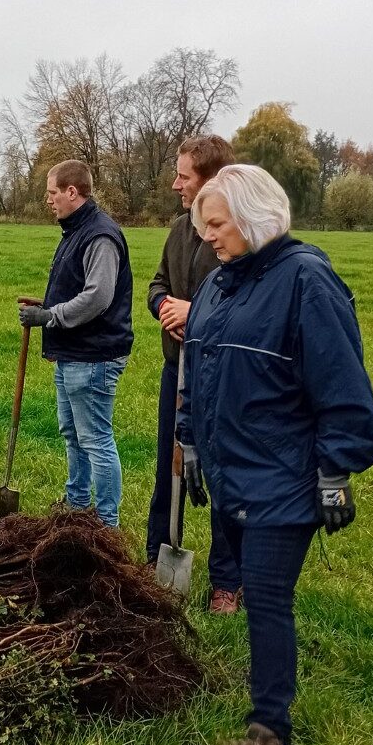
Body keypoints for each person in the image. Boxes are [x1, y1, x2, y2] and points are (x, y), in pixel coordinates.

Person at [178, 164, 373, 745]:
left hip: (283, 480)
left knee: (266, 603)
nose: (207, 235)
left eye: (217, 222)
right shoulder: (218, 285)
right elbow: (200, 367)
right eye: (202, 224)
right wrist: (189, 443)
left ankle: (267, 743)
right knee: (248, 596)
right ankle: (266, 722)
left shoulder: (307, 281)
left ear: (255, 214)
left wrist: (334, 473)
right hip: (230, 471)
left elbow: (345, 389)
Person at [146, 135, 240, 611]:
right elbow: (157, 283)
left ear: (211, 179)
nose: (175, 184)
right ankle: (153, 559)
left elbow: (240, 303)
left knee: (221, 474)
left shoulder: (236, 234)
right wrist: (164, 305)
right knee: (171, 466)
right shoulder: (180, 229)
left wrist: (194, 313)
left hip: (221, 381)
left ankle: (228, 581)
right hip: (175, 372)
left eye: (184, 175)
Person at [16, 160, 134, 527]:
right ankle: (77, 506)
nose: (48, 199)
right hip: (75, 352)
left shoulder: (99, 235)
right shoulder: (76, 231)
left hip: (94, 355)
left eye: (52, 192)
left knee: (95, 438)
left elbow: (99, 296)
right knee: (73, 433)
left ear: (72, 191)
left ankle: (105, 524)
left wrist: (52, 317)